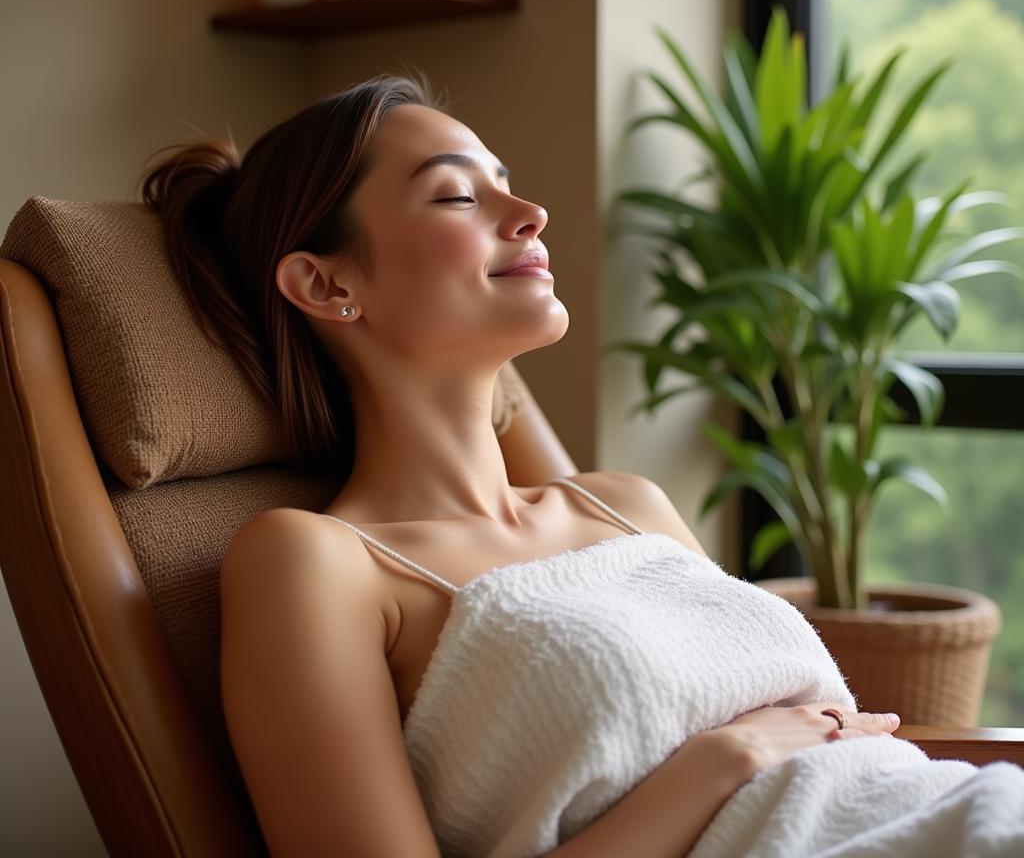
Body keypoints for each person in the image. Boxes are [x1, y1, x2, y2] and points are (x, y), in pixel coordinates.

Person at [140, 73, 1024, 858]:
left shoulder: (623, 505)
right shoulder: (314, 561)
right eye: (456, 197)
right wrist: (726, 759)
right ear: (328, 285)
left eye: (507, 185)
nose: (529, 214)